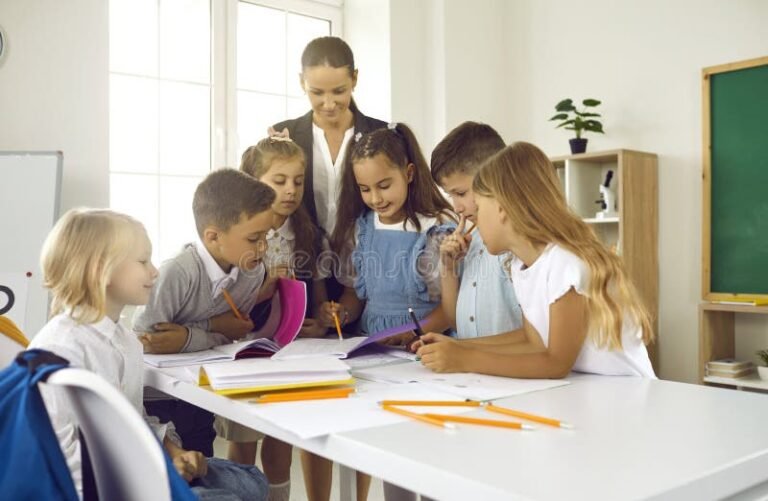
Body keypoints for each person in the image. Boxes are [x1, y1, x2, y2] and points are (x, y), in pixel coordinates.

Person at [30, 208, 268, 500]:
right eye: (143, 261)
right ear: (100, 270)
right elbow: (61, 460)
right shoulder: (61, 349)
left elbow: (135, 419)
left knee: (253, 482)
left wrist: (173, 452)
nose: (154, 271)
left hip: (135, 467)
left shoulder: (126, 341)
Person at [415, 142, 656, 379]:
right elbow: (532, 340)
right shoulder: (520, 265)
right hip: (589, 388)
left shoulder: (565, 263)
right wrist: (459, 347)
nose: (471, 217)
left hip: (627, 392)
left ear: (502, 208)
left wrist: (464, 359)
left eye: (478, 206)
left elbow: (556, 363)